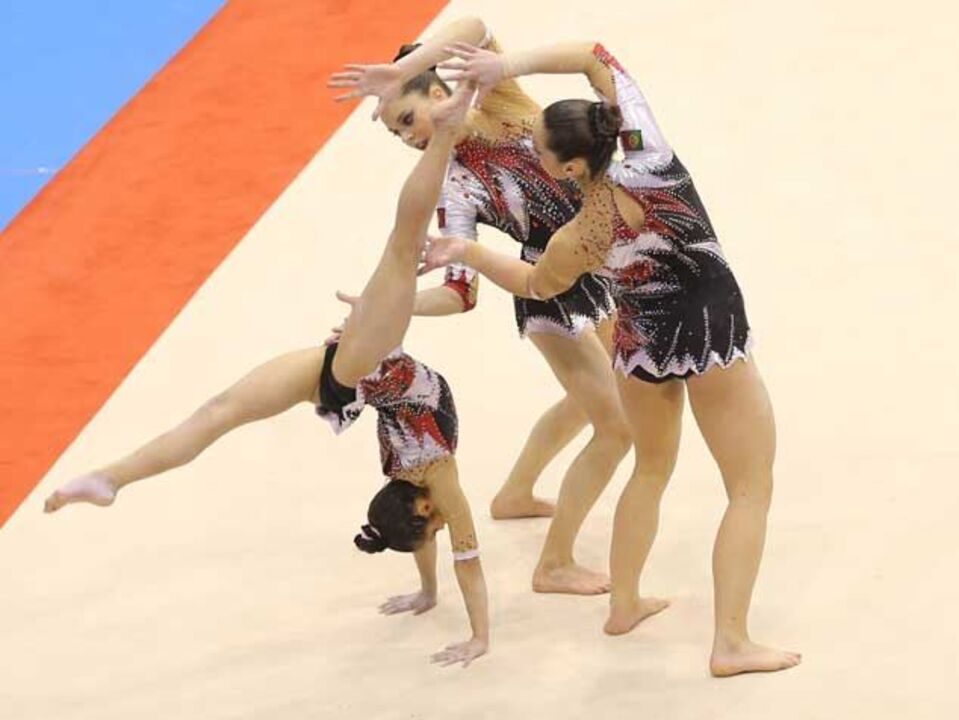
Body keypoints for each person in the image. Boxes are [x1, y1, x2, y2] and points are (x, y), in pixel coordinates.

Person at [44, 82, 490, 669]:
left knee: (222, 409)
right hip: (349, 373)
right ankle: (108, 479)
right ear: (423, 512)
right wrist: (472, 632)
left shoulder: (423, 479)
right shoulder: (425, 478)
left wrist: (432, 594)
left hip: (354, 364)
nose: (438, 531)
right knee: (219, 410)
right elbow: (467, 560)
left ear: (423, 510)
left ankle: (113, 478)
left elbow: (450, 550)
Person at [423, 40, 801, 676]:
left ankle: (623, 605)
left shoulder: (583, 232)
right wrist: (503, 67)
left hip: (640, 342)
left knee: (650, 469)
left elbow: (535, 283)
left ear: (572, 165)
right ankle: (730, 642)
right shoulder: (643, 148)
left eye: (538, 146)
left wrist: (467, 253)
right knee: (749, 486)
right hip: (709, 330)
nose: (533, 153)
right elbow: (595, 55)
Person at [329, 18, 630, 595]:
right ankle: (554, 563)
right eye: (397, 135)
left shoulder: (501, 98)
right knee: (616, 427)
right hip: (544, 291)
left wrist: (401, 67)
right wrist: (387, 305)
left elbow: (476, 25)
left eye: (407, 121)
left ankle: (515, 494)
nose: (408, 139)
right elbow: (459, 294)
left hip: (592, 263)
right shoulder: (452, 184)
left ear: (438, 92)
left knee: (592, 393)